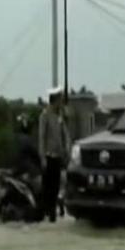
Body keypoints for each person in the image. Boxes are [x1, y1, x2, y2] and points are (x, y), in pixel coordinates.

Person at [38, 87, 71, 222]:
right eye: (60, 100)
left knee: (56, 187)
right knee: (48, 188)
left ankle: (52, 214)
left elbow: (65, 134)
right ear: (55, 100)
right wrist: (42, 158)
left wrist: (67, 148)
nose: (61, 102)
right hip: (48, 157)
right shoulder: (45, 115)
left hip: (58, 157)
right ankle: (47, 214)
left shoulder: (59, 116)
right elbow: (41, 137)